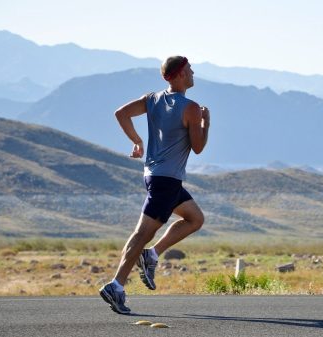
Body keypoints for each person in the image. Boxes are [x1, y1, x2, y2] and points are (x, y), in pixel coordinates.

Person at [99, 55, 210, 314]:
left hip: (155, 176)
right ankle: (116, 285)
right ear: (181, 73)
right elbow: (198, 147)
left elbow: (121, 113)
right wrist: (206, 122)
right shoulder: (191, 108)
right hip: (167, 180)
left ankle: (152, 255)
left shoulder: (152, 99)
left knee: (195, 219)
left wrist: (137, 140)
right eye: (190, 70)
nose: (193, 73)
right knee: (142, 233)